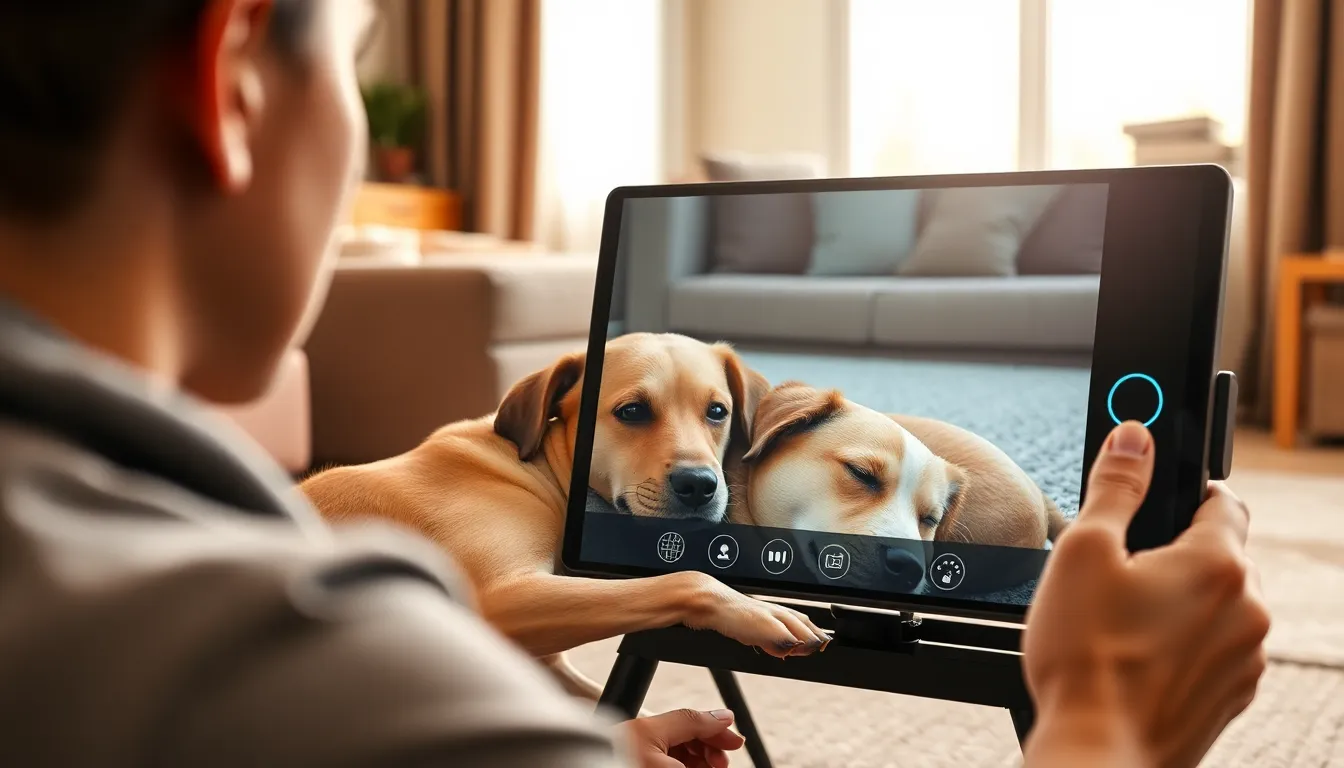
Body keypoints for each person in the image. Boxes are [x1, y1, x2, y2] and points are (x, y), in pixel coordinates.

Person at [0, 1, 1268, 766]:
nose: (698, 458)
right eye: (348, 54)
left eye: (714, 420)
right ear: (229, 76)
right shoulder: (303, 651)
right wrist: (1107, 730)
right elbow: (448, 627)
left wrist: (584, 729)